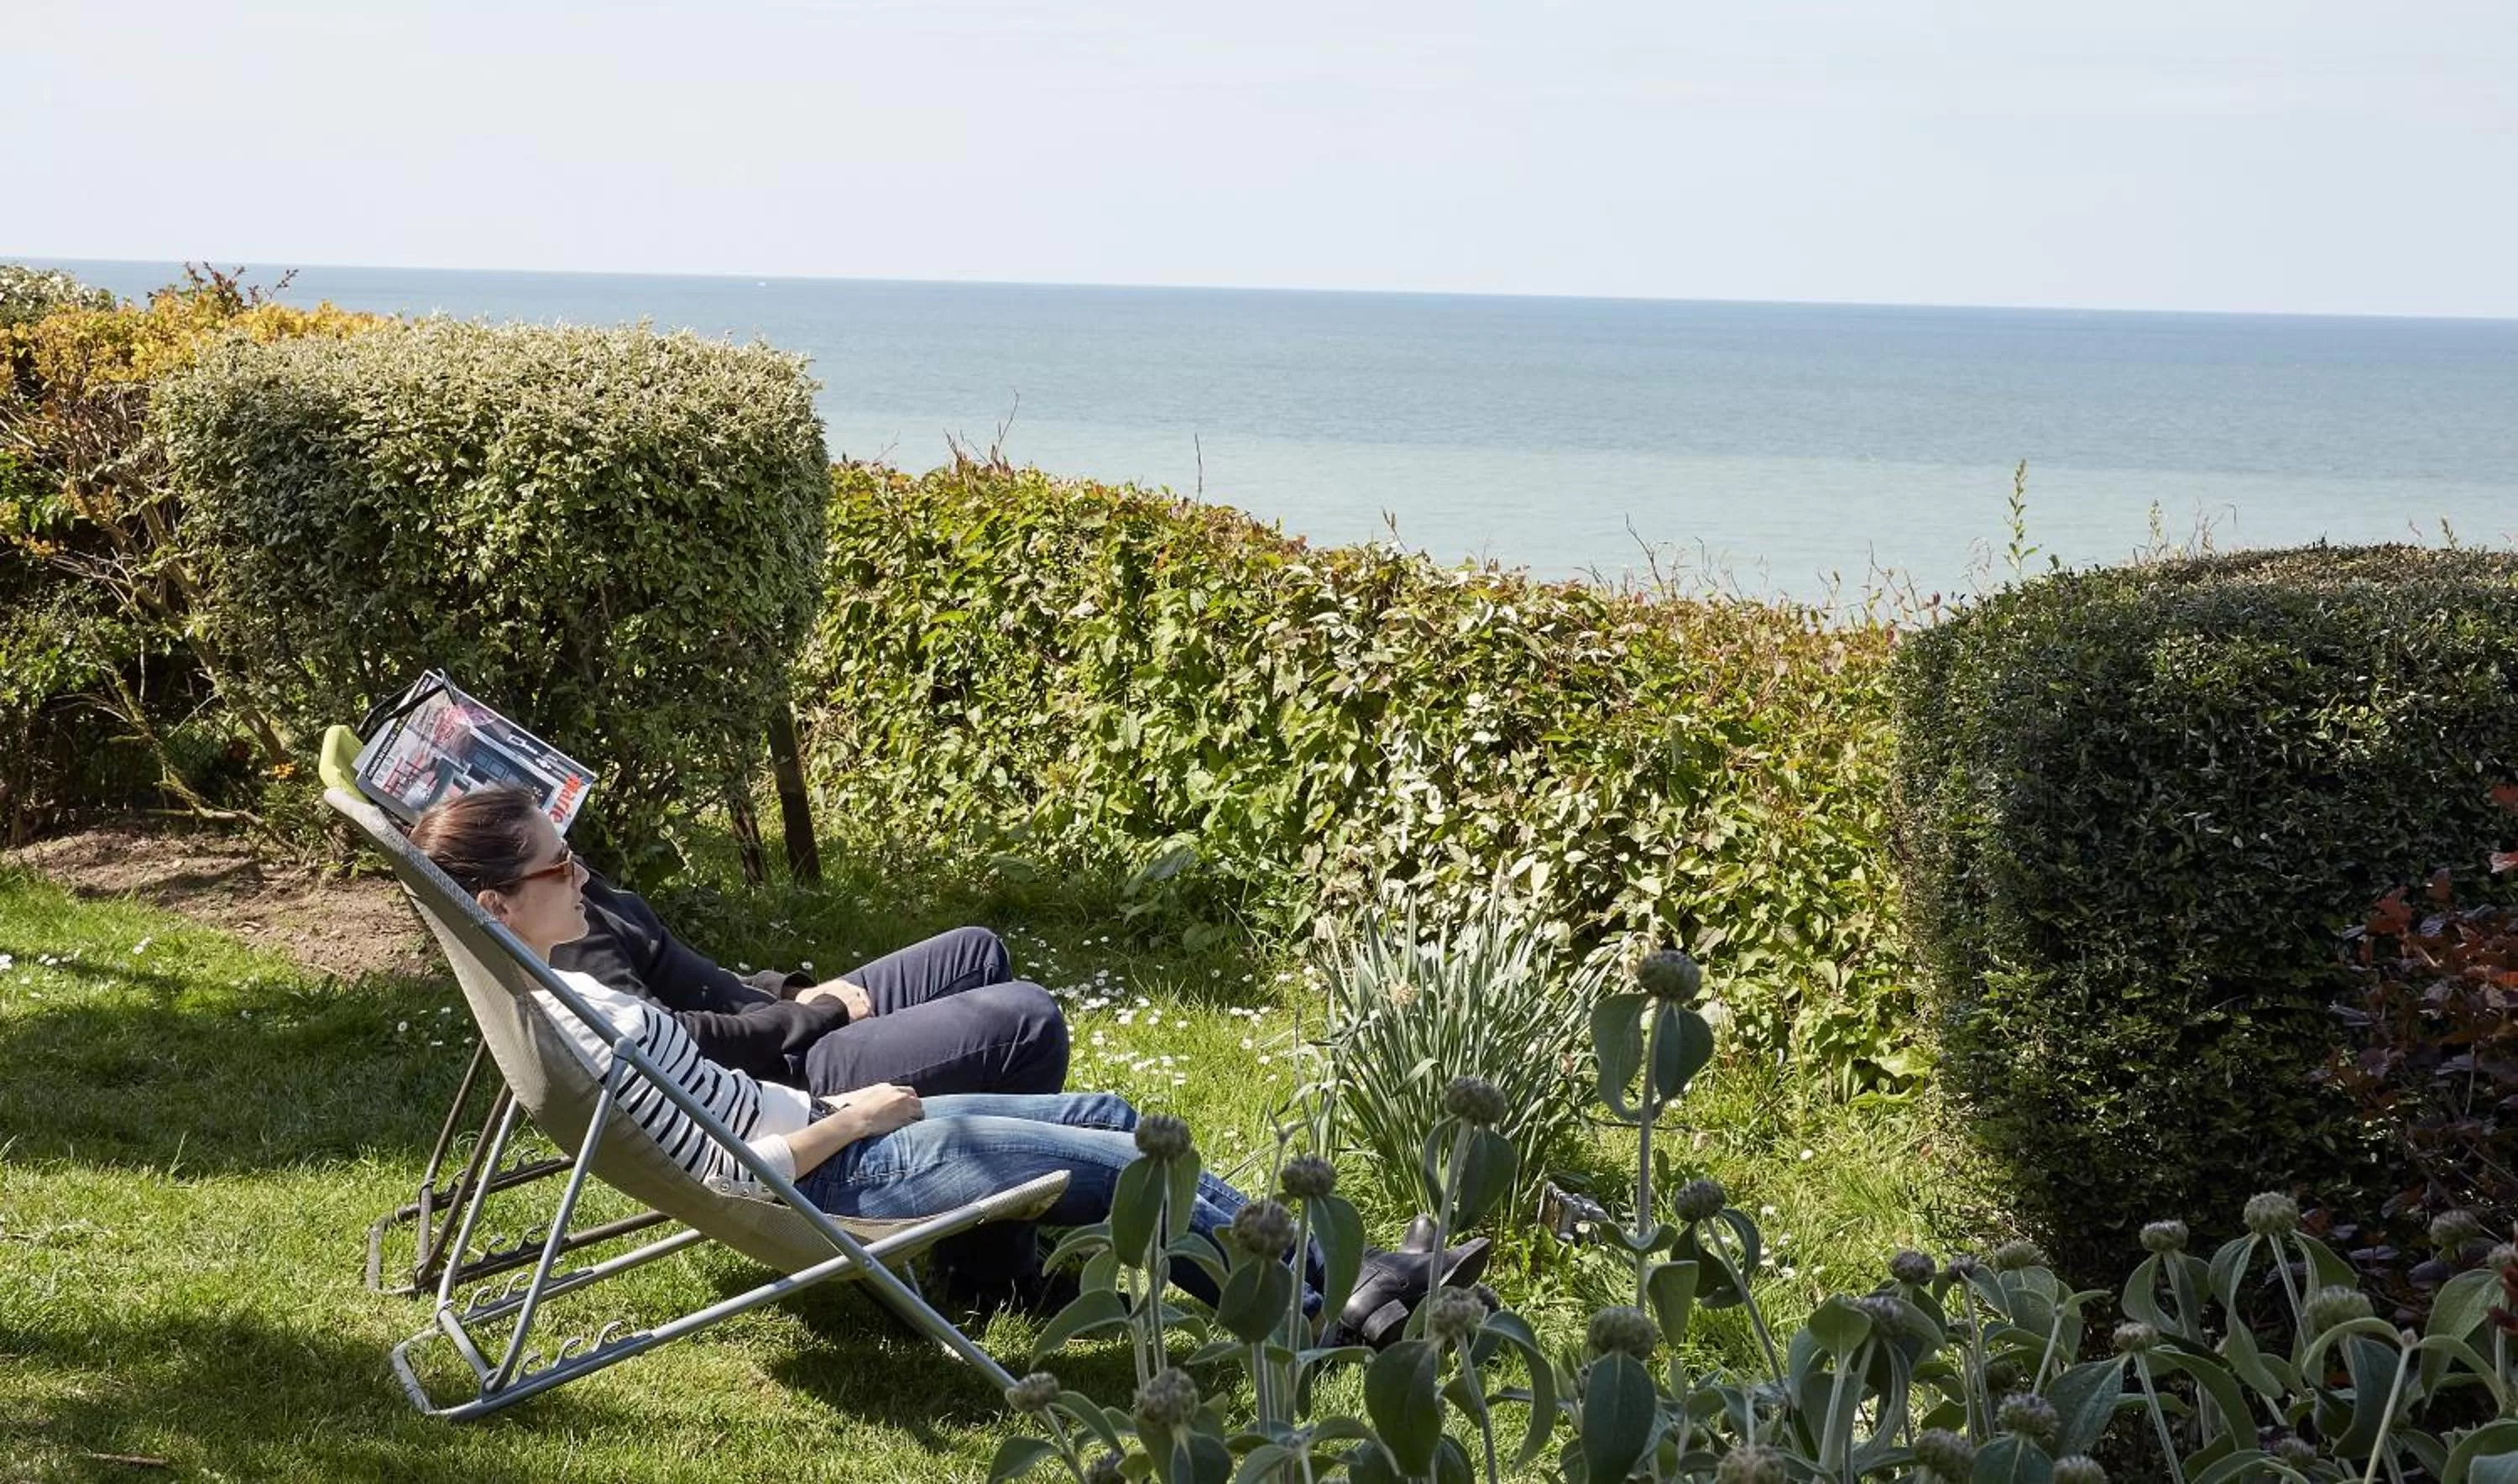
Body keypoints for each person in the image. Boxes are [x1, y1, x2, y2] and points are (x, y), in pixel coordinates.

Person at [409, 786, 1484, 1341]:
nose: (583, 875)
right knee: (1127, 1166)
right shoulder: (592, 1022)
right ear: (497, 903)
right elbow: (738, 1172)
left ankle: (1334, 1279)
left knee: (1113, 1115)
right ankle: (1313, 1313)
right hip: (841, 1167)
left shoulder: (565, 1000)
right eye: (561, 866)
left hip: (823, 1124)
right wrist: (857, 1114)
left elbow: (719, 1114)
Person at [553, 873, 1070, 1103]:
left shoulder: (571, 893)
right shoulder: (564, 935)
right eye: (558, 862)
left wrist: (786, 992)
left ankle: (976, 1205)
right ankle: (989, 1272)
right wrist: (820, 1014)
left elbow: (693, 981)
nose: (575, 869)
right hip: (771, 1075)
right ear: (510, 900)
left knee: (976, 953)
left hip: (776, 1026)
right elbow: (672, 1046)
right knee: (1029, 1020)